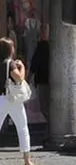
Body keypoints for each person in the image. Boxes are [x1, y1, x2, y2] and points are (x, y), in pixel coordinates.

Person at [0, 37, 32, 165]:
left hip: (0, 98)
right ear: (9, 49)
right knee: (22, 128)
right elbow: (19, 79)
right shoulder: (10, 63)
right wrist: (22, 67)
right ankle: (27, 160)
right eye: (12, 47)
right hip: (13, 100)